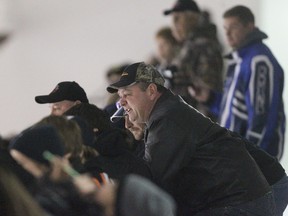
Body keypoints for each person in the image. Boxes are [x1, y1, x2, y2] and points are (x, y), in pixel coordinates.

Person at [107, 62, 275, 216]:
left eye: (127, 94)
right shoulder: (167, 111)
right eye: (120, 96)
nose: (121, 103)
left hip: (238, 203)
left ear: (151, 91)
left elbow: (152, 180)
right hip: (240, 199)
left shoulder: (168, 118)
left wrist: (114, 155)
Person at [219, 5, 286, 159]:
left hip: (252, 159)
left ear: (250, 26)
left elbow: (262, 117)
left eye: (233, 27)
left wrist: (250, 156)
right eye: (225, 28)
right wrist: (209, 98)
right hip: (236, 154)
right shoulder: (240, 59)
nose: (227, 33)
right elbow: (236, 109)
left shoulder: (258, 61)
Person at [163, 0, 224, 120]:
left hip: (196, 127)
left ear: (192, 19)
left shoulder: (204, 46)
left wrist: (201, 132)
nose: (173, 24)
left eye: (177, 19)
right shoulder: (189, 45)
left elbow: (207, 92)